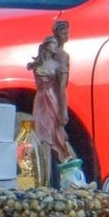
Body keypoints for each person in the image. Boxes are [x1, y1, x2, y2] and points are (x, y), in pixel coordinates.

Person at [29, 19, 74, 162]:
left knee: (54, 136)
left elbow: (62, 86)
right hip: (46, 98)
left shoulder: (61, 56)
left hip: (51, 97)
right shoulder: (60, 56)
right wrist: (63, 109)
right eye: (63, 33)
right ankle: (47, 174)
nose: (66, 36)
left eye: (67, 33)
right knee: (47, 135)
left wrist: (63, 109)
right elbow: (61, 86)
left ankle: (55, 173)